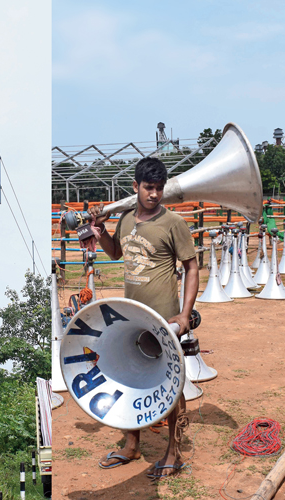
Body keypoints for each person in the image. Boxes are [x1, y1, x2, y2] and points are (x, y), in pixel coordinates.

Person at [88, 157, 198, 479]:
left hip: (164, 319)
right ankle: (131, 444)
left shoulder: (173, 223)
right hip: (131, 318)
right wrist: (101, 231)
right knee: (131, 378)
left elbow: (192, 267)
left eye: (159, 188)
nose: (154, 194)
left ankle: (173, 451)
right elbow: (114, 253)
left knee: (170, 383)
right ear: (135, 187)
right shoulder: (125, 220)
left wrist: (185, 314)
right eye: (148, 188)